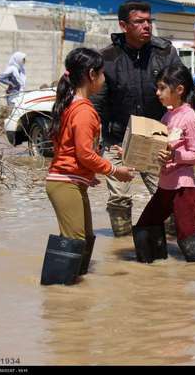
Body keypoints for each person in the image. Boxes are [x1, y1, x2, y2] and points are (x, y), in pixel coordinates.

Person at [91, 1, 183, 238]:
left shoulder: (165, 53)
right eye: (139, 22)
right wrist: (95, 148)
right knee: (119, 199)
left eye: (148, 21)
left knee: (169, 195)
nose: (146, 26)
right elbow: (96, 107)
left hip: (157, 137)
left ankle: (174, 249)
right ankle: (122, 247)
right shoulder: (107, 59)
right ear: (123, 25)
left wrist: (179, 135)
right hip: (117, 139)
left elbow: (183, 93)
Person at [45, 48, 134, 279]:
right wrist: (115, 170)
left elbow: (67, 148)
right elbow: (85, 153)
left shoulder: (71, 105)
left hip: (69, 181)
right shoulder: (84, 111)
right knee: (74, 241)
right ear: (92, 75)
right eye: (103, 73)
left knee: (85, 240)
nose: (105, 78)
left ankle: (73, 293)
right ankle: (59, 295)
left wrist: (86, 173)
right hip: (65, 183)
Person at [133, 64, 195, 263]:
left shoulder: (190, 118)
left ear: (179, 90)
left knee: (186, 234)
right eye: (158, 87)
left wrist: (174, 156)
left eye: (162, 88)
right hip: (165, 187)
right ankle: (150, 272)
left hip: (184, 189)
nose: (157, 93)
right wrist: (132, 151)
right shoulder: (168, 115)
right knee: (145, 226)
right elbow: (158, 148)